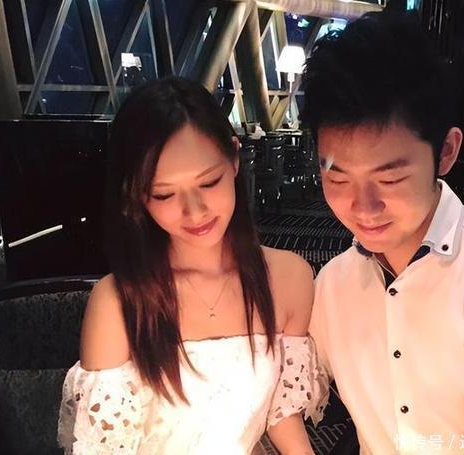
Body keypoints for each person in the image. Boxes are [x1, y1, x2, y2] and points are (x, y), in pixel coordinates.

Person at [302, 11, 464, 455]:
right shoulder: (331, 284)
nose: (363, 207)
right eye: (338, 177)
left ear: (446, 152)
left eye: (389, 178)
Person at [57, 77, 328, 454]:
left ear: (234, 158)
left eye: (209, 182)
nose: (195, 211)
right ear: (136, 197)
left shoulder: (289, 277)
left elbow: (281, 414)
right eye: (164, 194)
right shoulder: (119, 302)